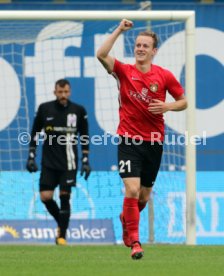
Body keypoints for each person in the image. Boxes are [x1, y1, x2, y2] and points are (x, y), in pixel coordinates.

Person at [97, 19, 187, 259]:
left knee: (144, 196)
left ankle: (127, 218)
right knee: (133, 189)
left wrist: (168, 106)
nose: (140, 48)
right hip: (128, 141)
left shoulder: (164, 76)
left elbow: (184, 101)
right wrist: (118, 29)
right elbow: (101, 54)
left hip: (154, 143)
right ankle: (135, 242)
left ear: (154, 51)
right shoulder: (125, 71)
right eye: (137, 45)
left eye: (145, 46)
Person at [26, 79, 91, 245]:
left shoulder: (78, 110)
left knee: (64, 196)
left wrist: (85, 160)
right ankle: (62, 223)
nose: (63, 95)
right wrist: (31, 156)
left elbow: (84, 136)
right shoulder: (44, 108)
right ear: (55, 92)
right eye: (60, 92)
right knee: (45, 197)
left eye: (66, 92)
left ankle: (62, 236)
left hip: (69, 163)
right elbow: (35, 133)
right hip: (49, 162)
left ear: (70, 92)